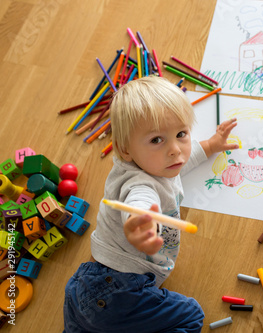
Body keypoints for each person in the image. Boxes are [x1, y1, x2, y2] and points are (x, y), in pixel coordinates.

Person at [64, 76, 239, 332]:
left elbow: (179, 165)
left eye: (181, 134)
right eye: (157, 140)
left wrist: (211, 145)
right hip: (118, 292)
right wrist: (140, 221)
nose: (175, 150)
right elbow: (139, 201)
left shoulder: (154, 162)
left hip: (85, 287)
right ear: (125, 150)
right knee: (191, 316)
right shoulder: (139, 184)